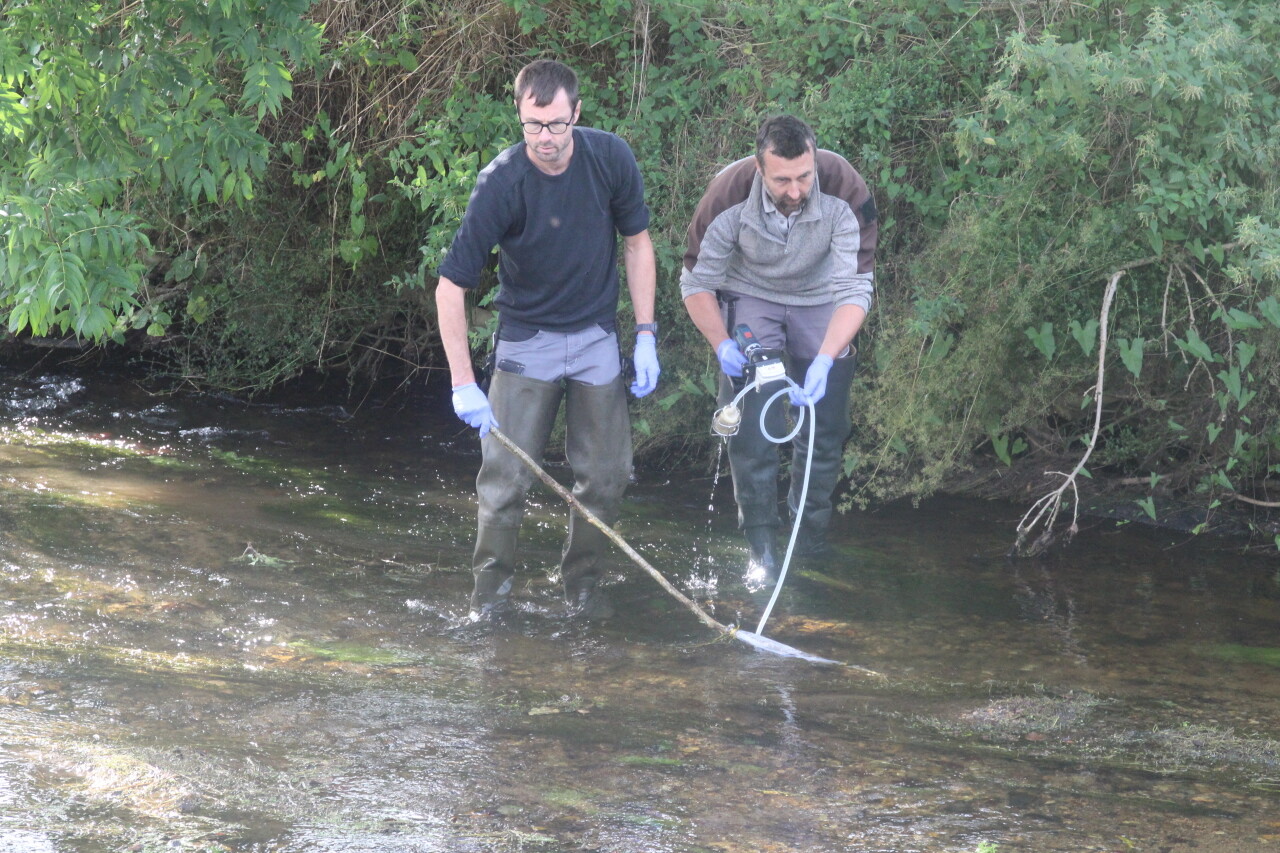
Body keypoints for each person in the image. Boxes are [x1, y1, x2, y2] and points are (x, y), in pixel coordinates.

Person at [435, 59, 659, 621]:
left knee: (606, 478)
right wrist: (464, 384)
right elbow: (450, 287)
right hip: (526, 341)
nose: (546, 140)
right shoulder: (502, 181)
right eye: (533, 126)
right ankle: (489, 603)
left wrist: (648, 333)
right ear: (519, 117)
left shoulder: (610, 158)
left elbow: (637, 243)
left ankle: (582, 589)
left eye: (557, 125)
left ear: (576, 114)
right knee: (504, 485)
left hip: (594, 338)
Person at [679, 114, 877, 580]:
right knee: (750, 430)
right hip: (750, 292)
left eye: (804, 177)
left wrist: (827, 358)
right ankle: (762, 548)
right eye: (782, 180)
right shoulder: (726, 195)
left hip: (820, 296)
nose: (795, 190)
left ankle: (806, 543)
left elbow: (855, 290)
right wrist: (722, 343)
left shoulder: (846, 189)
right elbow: (696, 284)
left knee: (825, 427)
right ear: (758, 167)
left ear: (815, 158)